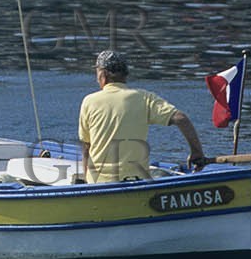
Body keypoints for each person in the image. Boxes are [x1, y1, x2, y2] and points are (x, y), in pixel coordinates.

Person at [78, 50, 206, 183]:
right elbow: (181, 119)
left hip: (100, 182)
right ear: (125, 74)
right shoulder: (144, 98)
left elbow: (87, 146)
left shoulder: (89, 101)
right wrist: (196, 152)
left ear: (103, 74)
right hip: (137, 180)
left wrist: (87, 180)